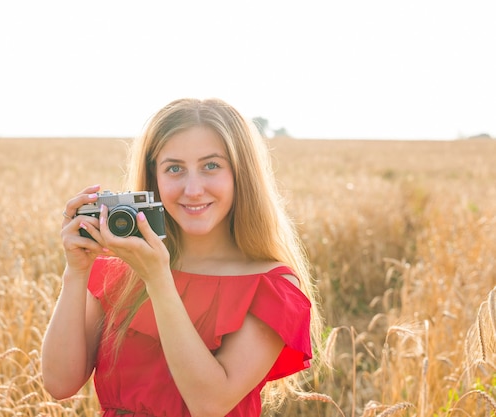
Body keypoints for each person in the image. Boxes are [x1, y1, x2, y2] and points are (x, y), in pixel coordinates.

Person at [41, 98, 323, 417]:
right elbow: (59, 383)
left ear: (241, 174)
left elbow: (209, 405)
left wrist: (159, 280)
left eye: (211, 166)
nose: (192, 189)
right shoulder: (120, 270)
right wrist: (76, 272)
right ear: (154, 178)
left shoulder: (270, 287)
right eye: (174, 168)